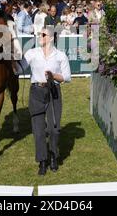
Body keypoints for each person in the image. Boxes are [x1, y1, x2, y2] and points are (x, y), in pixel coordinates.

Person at [21, 26, 71, 175]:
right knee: (38, 130)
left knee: (54, 129)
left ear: (50, 38)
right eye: (38, 34)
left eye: (42, 35)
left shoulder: (60, 55)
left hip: (53, 92)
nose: (39, 37)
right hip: (36, 92)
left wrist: (53, 76)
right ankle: (42, 161)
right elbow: (18, 68)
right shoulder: (31, 53)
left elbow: (67, 77)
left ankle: (53, 156)